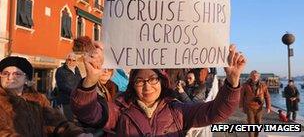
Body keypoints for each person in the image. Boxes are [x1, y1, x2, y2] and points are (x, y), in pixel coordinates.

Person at [70, 43, 246, 136]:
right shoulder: (120, 110)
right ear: (133, 85)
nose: (147, 86)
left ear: (162, 82)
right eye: (140, 81)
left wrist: (232, 82)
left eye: (153, 79)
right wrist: (90, 81)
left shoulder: (178, 111)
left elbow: (216, 112)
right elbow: (87, 112)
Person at [0, 56, 90, 137]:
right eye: (5, 73)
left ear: (26, 79)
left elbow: (57, 123)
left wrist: (77, 134)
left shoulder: (38, 99)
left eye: (17, 74)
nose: (10, 77)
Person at [239, 70, 271, 137]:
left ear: (259, 76)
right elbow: (241, 96)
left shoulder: (263, 85)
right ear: (250, 76)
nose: (255, 77)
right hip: (249, 107)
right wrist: (241, 106)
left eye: (256, 75)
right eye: (253, 75)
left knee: (258, 123)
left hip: (259, 107)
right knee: (251, 123)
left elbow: (267, 96)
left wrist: (268, 107)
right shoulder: (245, 85)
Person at [55, 52, 82, 121]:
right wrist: (74, 92)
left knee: (77, 123)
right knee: (68, 122)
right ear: (66, 60)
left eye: (74, 60)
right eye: (69, 60)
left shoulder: (77, 70)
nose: (71, 62)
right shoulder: (60, 70)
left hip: (77, 102)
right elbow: (61, 85)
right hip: (66, 101)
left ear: (76, 61)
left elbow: (80, 83)